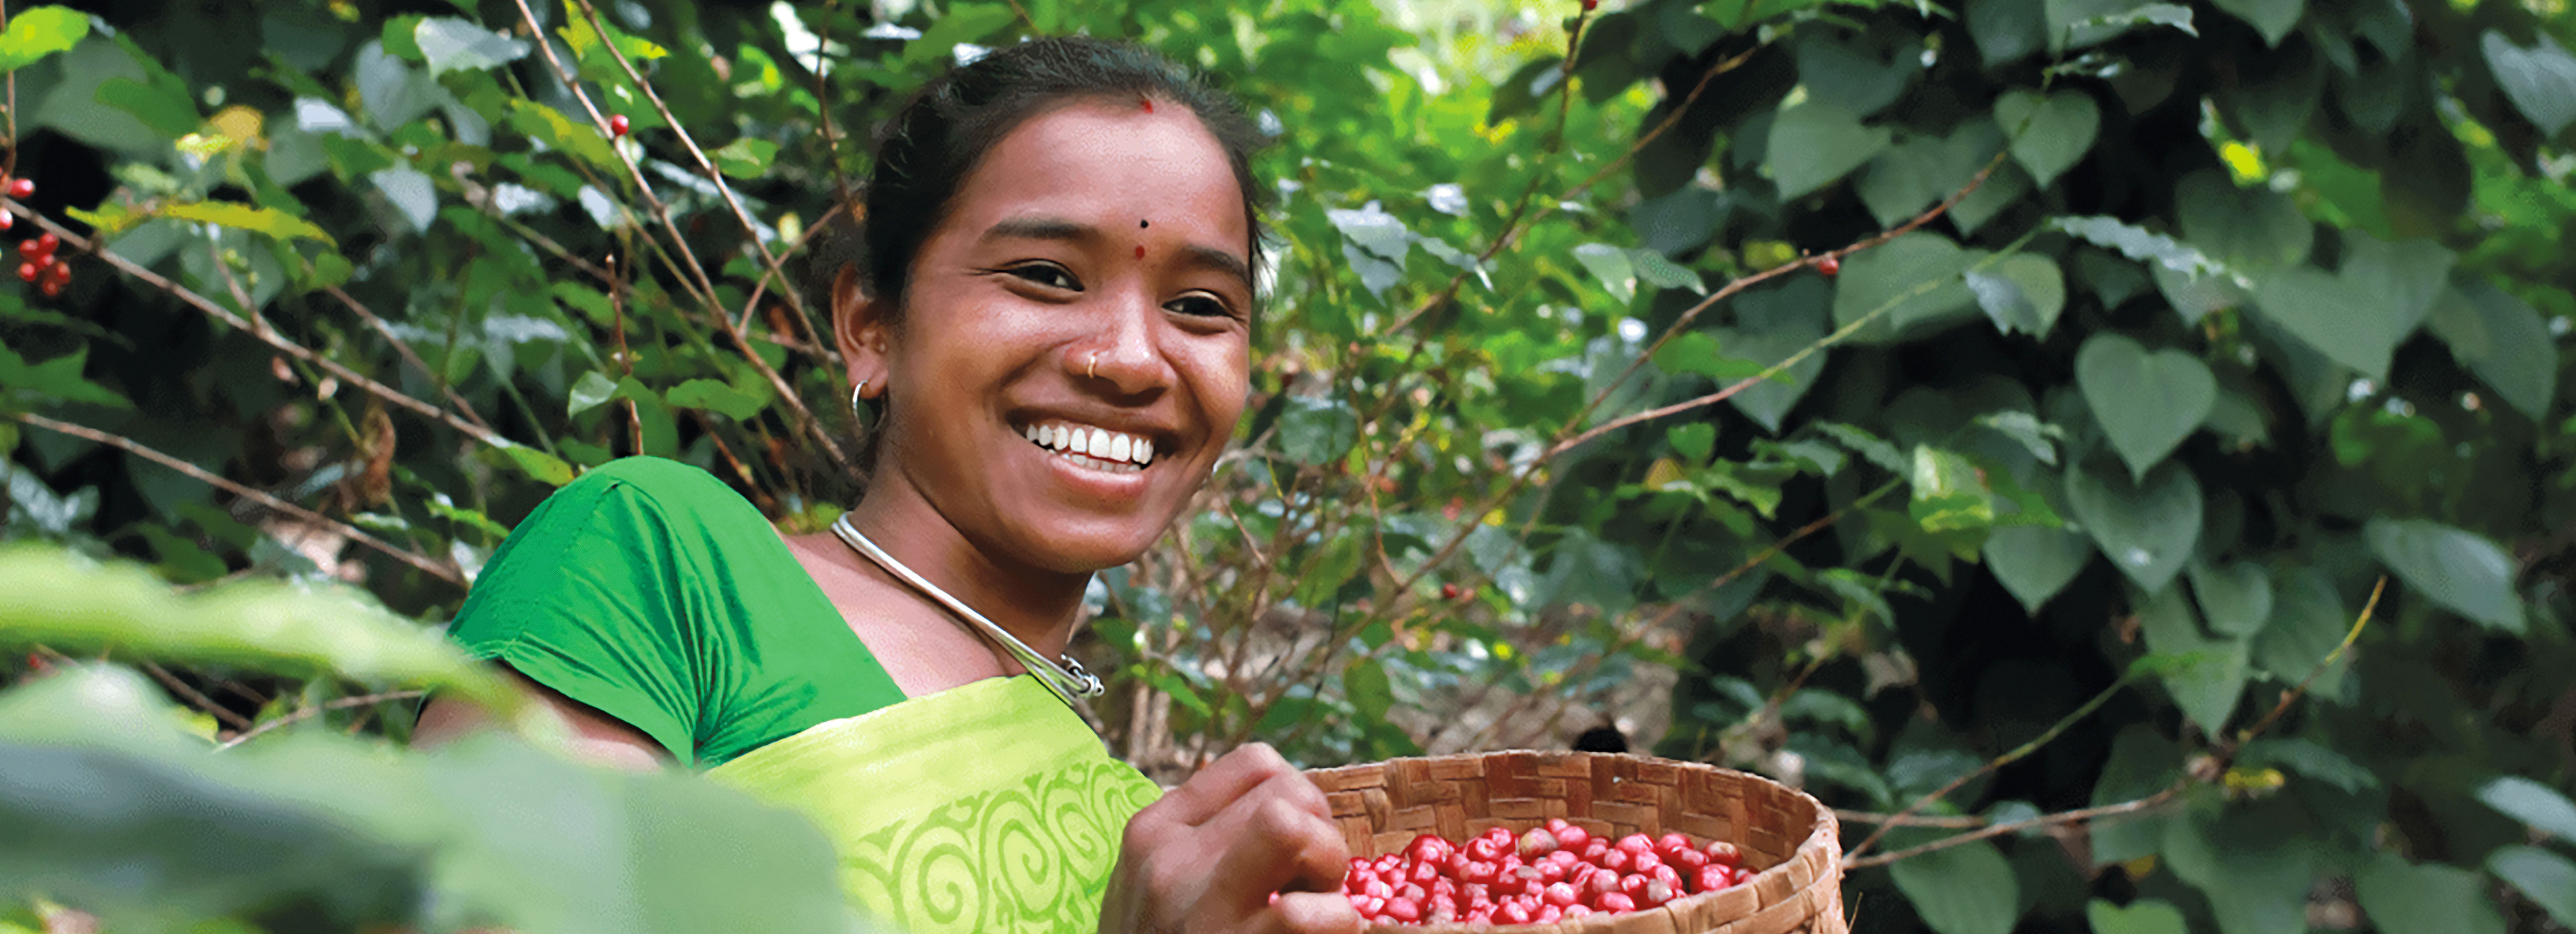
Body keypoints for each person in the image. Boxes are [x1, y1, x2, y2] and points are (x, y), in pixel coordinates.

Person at [413, 37, 1360, 934]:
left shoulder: (1129, 824)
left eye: (1199, 306)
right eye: (1044, 275)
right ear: (871, 325)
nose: (1128, 359)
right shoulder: (657, 562)